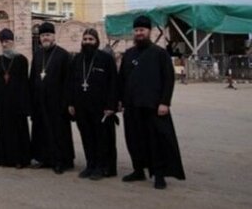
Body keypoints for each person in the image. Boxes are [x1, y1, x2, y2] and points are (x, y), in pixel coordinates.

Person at [119, 15, 185, 190]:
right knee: (134, 141)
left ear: (149, 31)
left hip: (153, 107)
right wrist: (120, 101)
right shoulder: (129, 54)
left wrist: (165, 102)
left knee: (156, 142)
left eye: (142, 30)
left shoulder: (159, 53)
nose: (139, 33)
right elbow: (122, 80)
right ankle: (138, 170)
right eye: (137, 30)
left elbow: (168, 79)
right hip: (132, 107)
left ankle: (159, 174)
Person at [67, 28, 118, 180]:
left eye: (91, 39)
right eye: (85, 39)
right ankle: (90, 165)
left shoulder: (106, 59)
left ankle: (103, 167)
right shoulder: (76, 59)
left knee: (102, 139)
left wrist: (111, 105)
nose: (88, 42)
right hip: (82, 107)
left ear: (97, 42)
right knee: (87, 137)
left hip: (101, 108)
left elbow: (113, 83)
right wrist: (71, 103)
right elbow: (71, 83)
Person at [30, 22, 74, 174]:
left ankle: (61, 161)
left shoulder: (63, 55)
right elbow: (33, 78)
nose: (45, 38)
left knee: (58, 132)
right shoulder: (37, 54)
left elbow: (68, 81)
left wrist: (67, 102)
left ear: (54, 36)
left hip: (57, 102)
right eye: (42, 36)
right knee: (42, 131)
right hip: (40, 101)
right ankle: (44, 158)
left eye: (48, 35)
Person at [0, 28, 31, 168]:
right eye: (2, 42)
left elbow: (25, 83)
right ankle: (3, 157)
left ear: (13, 42)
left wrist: (24, 104)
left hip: (17, 102)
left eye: (7, 41)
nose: (5, 44)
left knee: (18, 130)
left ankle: (20, 159)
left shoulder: (21, 60)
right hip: (3, 102)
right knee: (3, 130)